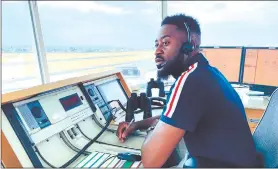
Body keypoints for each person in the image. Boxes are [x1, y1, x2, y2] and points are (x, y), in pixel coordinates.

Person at [116, 14, 261, 168]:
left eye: (166, 43)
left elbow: (150, 162)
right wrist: (137, 125)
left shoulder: (190, 81)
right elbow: (175, 117)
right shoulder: (207, 73)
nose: (157, 51)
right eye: (156, 44)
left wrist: (155, 130)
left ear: (190, 45)